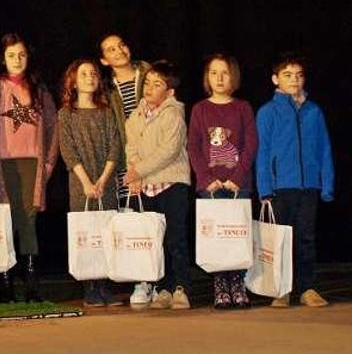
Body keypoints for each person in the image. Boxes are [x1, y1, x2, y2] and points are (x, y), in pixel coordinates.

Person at [255, 53, 333, 308]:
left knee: (306, 238)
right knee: (281, 240)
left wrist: (327, 184)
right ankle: (281, 289)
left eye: (299, 75)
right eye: (288, 75)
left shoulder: (314, 111)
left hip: (309, 185)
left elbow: (324, 149)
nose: (294, 80)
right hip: (281, 187)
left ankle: (307, 288)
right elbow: (263, 152)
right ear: (275, 79)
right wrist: (265, 187)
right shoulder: (267, 112)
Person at [0, 33, 56, 303]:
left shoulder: (39, 90)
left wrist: (48, 162)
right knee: (5, 221)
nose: (17, 60)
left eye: (21, 54)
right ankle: (4, 280)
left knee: (28, 221)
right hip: (3, 164)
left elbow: (53, 127)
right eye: (11, 55)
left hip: (32, 163)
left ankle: (31, 280)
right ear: (3, 58)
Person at [187, 54, 257, 309]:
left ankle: (238, 283)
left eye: (224, 72)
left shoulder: (243, 107)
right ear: (207, 77)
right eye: (214, 72)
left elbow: (250, 144)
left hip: (239, 186)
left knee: (237, 233)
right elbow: (193, 147)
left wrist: (238, 177)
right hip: (211, 189)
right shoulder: (200, 109)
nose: (219, 78)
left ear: (233, 77)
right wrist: (207, 179)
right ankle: (220, 286)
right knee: (217, 236)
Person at [124, 60, 192, 310]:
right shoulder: (135, 116)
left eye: (158, 84)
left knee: (176, 239)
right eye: (148, 82)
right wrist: (136, 174)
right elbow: (131, 147)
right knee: (156, 240)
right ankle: (162, 287)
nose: (150, 88)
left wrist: (136, 171)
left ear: (170, 91)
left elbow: (169, 151)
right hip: (148, 186)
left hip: (172, 184)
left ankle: (181, 287)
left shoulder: (174, 114)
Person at [56, 59, 122, 307]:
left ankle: (105, 286)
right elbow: (68, 150)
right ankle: (89, 287)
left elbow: (115, 145)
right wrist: (86, 182)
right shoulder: (65, 114)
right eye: (83, 73)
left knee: (106, 232)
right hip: (80, 183)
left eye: (93, 73)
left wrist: (104, 179)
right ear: (73, 81)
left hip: (106, 181)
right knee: (87, 233)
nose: (90, 77)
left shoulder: (106, 112)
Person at [98, 33, 152, 306]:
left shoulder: (149, 74)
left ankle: (162, 282)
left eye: (121, 44)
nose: (118, 50)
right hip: (126, 166)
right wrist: (129, 167)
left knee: (156, 222)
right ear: (104, 60)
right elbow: (115, 133)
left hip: (155, 161)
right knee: (135, 224)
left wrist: (144, 164)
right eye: (111, 49)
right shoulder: (107, 92)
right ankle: (141, 281)